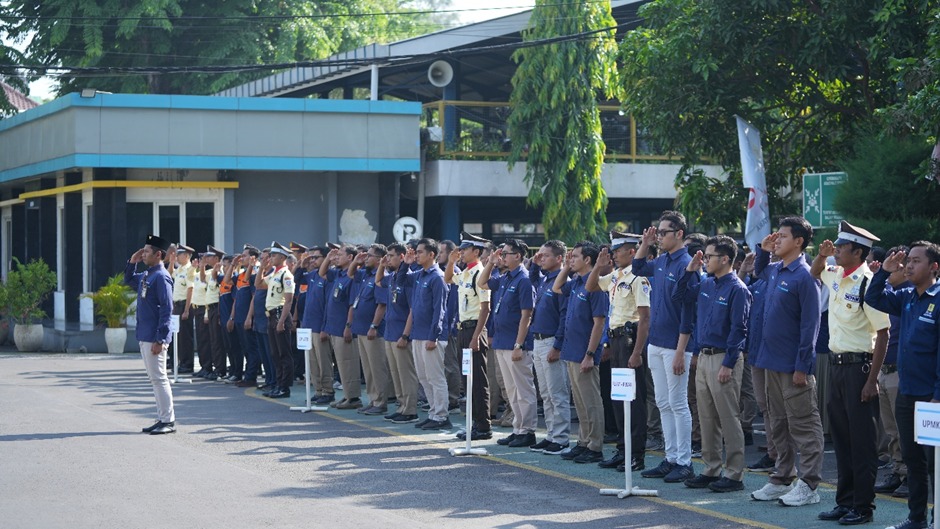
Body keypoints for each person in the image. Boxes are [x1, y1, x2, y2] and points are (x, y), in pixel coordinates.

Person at [810, 221, 890, 525]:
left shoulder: (867, 283)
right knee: (842, 441)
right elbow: (813, 272)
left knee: (862, 444)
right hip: (838, 367)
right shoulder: (836, 274)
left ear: (858, 251)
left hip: (860, 368)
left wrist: (872, 381)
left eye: (842, 247)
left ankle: (863, 507)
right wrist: (820, 255)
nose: (837, 250)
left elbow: (883, 334)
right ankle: (844, 502)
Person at [749, 216, 824, 507]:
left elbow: (810, 326)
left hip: (793, 366)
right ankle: (782, 477)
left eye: (782, 236)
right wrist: (763, 250)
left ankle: (809, 484)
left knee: (803, 424)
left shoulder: (805, 276)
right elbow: (759, 273)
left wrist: (802, 367)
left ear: (799, 242)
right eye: (776, 235)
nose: (776, 239)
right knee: (777, 423)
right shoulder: (776, 270)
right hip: (770, 361)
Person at [867, 241, 940, 529]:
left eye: (916, 261)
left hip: (930, 397)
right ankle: (917, 518)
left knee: (934, 462)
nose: (908, 265)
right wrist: (883, 272)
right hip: (908, 394)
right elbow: (873, 298)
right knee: (913, 459)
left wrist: (938, 395)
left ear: (934, 267)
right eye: (907, 260)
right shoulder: (907, 296)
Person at [673, 235, 751, 492]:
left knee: (728, 417)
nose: (704, 260)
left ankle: (734, 473)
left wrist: (729, 363)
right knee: (706, 416)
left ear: (725, 259)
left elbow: (739, 330)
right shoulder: (707, 284)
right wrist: (689, 270)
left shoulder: (738, 289)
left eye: (709, 257)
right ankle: (711, 467)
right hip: (704, 356)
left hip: (723, 358)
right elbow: (680, 295)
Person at [633, 211, 695, 484]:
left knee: (678, 403)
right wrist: (645, 243)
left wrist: (682, 350)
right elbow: (636, 268)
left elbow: (688, 312)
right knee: (662, 402)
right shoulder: (660, 261)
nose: (658, 237)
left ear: (679, 234)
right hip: (656, 341)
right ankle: (671, 458)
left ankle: (684, 461)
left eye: (663, 233)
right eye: (657, 232)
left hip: (675, 344)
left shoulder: (688, 263)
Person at [586, 232, 652, 472]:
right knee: (619, 398)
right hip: (615, 341)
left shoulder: (639, 278)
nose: (613, 255)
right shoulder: (614, 276)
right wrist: (599, 267)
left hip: (629, 340)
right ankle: (622, 450)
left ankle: (636, 454)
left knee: (634, 401)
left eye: (618, 250)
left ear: (632, 252)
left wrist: (637, 352)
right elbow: (590, 285)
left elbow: (644, 319)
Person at [552, 241, 608, 464]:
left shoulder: (594, 286)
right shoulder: (575, 282)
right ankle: (583, 442)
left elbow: (599, 323)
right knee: (581, 402)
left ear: (588, 260)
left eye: (575, 256)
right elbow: (557, 287)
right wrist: (566, 267)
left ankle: (595, 446)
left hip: (584, 352)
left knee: (591, 401)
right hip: (571, 350)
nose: (571, 259)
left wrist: (590, 353)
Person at [478, 239, 537, 447]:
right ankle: (517, 428)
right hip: (502, 342)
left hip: (515, 344)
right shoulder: (504, 277)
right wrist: (491, 263)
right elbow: (482, 282)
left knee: (523, 390)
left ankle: (527, 430)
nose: (502, 257)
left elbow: (526, 315)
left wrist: (519, 345)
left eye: (506, 254)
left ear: (518, 256)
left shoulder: (524, 279)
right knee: (512, 390)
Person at [125, 235, 176, 435]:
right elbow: (129, 280)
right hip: (145, 334)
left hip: (154, 336)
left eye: (147, 251)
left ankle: (168, 420)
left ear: (159, 255)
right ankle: (162, 417)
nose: (143, 254)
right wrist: (132, 262)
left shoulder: (161, 277)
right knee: (155, 379)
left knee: (160, 378)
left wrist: (161, 339)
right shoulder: (149, 274)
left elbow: (167, 309)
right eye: (143, 250)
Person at [445, 232, 493, 441]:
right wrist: (450, 261)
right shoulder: (466, 272)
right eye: (460, 249)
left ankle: (483, 426)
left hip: (474, 330)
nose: (461, 252)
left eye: (465, 249)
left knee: (478, 380)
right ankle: (472, 423)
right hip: (463, 330)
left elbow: (485, 308)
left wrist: (476, 337)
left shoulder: (480, 274)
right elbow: (448, 278)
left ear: (477, 252)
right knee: (468, 378)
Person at [873, 246, 912, 497]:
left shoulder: (910, 297)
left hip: (901, 371)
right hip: (884, 371)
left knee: (904, 430)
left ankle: (911, 475)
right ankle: (898, 471)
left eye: (898, 266)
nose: (892, 271)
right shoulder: (890, 295)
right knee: (891, 430)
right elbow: (872, 296)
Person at [528, 239, 571, 455]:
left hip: (551, 341)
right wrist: (535, 264)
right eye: (540, 255)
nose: (541, 258)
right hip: (537, 340)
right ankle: (552, 434)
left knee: (557, 393)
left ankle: (562, 438)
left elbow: (565, 316)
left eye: (545, 255)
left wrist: (558, 345)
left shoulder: (561, 282)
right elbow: (532, 280)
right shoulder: (546, 279)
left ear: (559, 258)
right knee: (545, 393)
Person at [405, 238, 452, 430]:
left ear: (431, 255)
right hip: (419, 333)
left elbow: (439, 310)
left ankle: (442, 416)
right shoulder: (420, 275)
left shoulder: (437, 277)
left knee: (435, 377)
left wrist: (434, 336)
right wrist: (406, 264)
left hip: (431, 336)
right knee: (423, 378)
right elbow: (401, 280)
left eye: (419, 252)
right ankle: (433, 413)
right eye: (416, 252)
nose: (416, 255)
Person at [375, 243, 420, 423]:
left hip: (401, 334)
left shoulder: (408, 279)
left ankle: (410, 410)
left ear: (402, 257)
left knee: (406, 373)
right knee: (396, 374)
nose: (388, 259)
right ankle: (401, 407)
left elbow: (412, 310)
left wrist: (405, 335)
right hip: (390, 333)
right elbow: (378, 281)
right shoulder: (393, 277)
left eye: (391, 256)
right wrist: (382, 264)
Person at [348, 244, 395, 415]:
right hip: (361, 329)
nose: (366, 258)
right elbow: (350, 273)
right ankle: (373, 399)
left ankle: (381, 402)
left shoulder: (381, 277)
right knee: (367, 368)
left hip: (373, 330)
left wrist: (373, 326)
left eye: (369, 256)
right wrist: (356, 261)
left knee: (377, 368)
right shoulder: (366, 275)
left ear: (379, 259)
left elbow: (381, 305)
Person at [320, 244, 363, 409]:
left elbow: (352, 305)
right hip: (334, 327)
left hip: (343, 327)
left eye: (340, 255)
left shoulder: (351, 278)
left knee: (348, 362)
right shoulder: (338, 274)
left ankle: (353, 398)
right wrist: (328, 259)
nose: (336, 257)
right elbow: (322, 273)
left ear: (350, 258)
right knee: (341, 363)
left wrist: (348, 326)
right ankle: (346, 395)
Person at [257, 242, 295, 398]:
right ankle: (278, 384)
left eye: (273, 255)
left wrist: (281, 321)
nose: (271, 258)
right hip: (271, 315)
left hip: (280, 314)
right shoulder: (274, 274)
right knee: (275, 353)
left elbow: (289, 300)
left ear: (282, 257)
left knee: (284, 353)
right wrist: (261, 268)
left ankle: (285, 387)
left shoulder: (286, 275)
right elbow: (258, 284)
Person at [170, 244, 196, 373]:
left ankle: (187, 363)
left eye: (179, 255)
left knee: (186, 336)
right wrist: (171, 262)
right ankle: (181, 361)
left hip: (185, 305)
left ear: (186, 256)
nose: (177, 257)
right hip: (177, 305)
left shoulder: (190, 269)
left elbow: (190, 290)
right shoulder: (180, 268)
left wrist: (186, 310)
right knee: (179, 336)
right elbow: (170, 274)